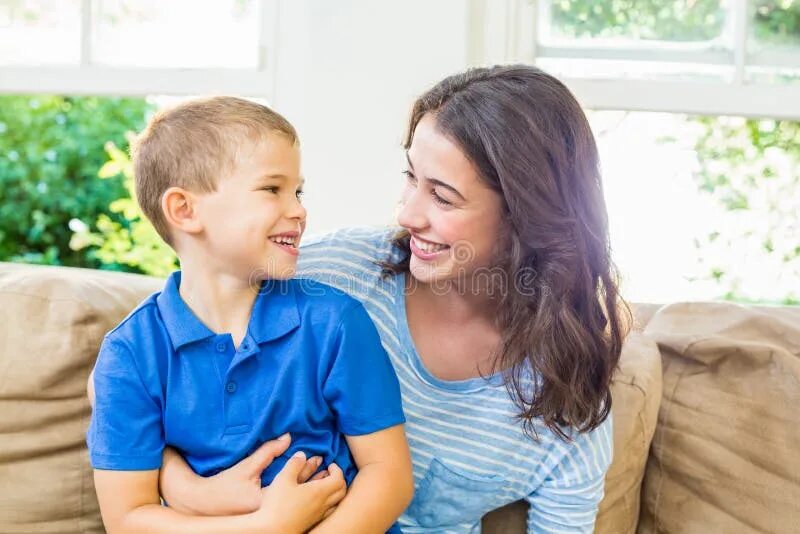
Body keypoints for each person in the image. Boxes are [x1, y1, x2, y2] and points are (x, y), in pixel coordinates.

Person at [159, 65, 629, 533]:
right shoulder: (331, 278)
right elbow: (148, 365)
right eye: (411, 176)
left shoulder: (565, 398)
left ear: (526, 216)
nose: (407, 214)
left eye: (443, 198)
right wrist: (186, 488)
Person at [86, 96, 413, 534]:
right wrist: (269, 527)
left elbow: (389, 477)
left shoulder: (334, 322)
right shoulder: (130, 353)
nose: (298, 210)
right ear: (185, 210)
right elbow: (128, 519)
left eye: (297, 191)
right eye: (271, 189)